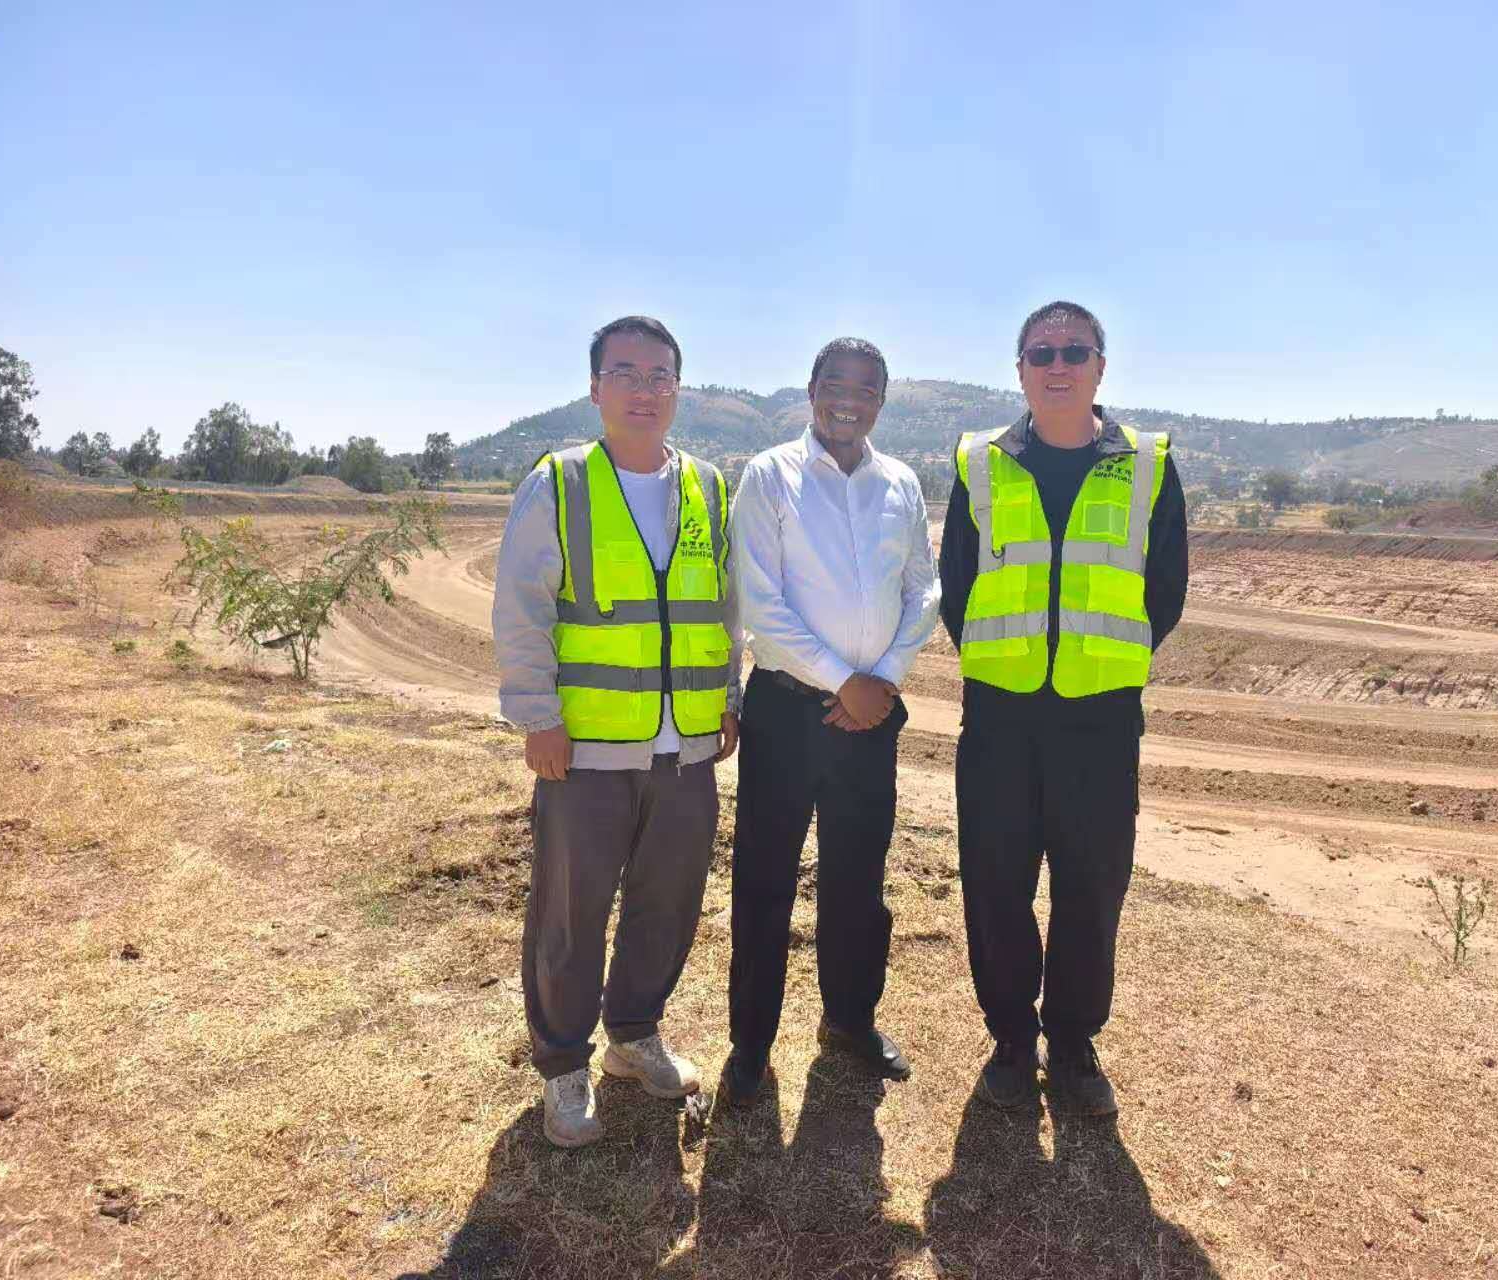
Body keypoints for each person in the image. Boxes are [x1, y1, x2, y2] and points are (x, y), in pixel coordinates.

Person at [491, 315, 740, 1149]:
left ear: (679, 389)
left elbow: (724, 606)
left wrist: (728, 696)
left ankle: (634, 1036)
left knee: (668, 903)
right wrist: (539, 717)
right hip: (587, 750)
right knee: (571, 911)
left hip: (686, 747)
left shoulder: (707, 487)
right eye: (626, 373)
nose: (644, 389)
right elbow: (521, 609)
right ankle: (564, 1064)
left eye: (660, 374)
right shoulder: (560, 483)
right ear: (595, 388)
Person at [939, 301, 1188, 1115]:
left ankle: (1074, 1043)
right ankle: (1012, 1040)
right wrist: (1008, 659)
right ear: (1019, 369)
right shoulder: (979, 463)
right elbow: (958, 586)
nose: (1058, 365)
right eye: (1041, 352)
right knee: (996, 882)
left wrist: (1100, 660)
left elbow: (1165, 590)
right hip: (1001, 717)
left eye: (1074, 351)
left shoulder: (1148, 465)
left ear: (1100, 367)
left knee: (1092, 885)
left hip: (1099, 718)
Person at [721, 337, 941, 1105]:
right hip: (788, 710)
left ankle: (849, 1020)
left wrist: (882, 679)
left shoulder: (901, 483)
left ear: (882, 399)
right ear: (811, 389)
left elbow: (924, 589)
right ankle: (750, 1045)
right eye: (836, 384)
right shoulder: (769, 475)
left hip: (870, 718)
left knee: (858, 878)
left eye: (867, 388)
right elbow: (760, 601)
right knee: (764, 880)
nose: (850, 400)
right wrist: (844, 682)